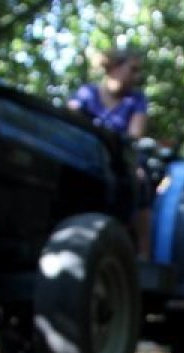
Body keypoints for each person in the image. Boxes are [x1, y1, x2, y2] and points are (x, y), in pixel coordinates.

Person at [69, 48, 152, 256]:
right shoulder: (87, 94)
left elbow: (135, 134)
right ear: (115, 67)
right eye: (132, 70)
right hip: (87, 157)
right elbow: (69, 119)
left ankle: (141, 252)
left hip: (123, 158)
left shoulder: (136, 100)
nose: (137, 76)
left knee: (139, 179)